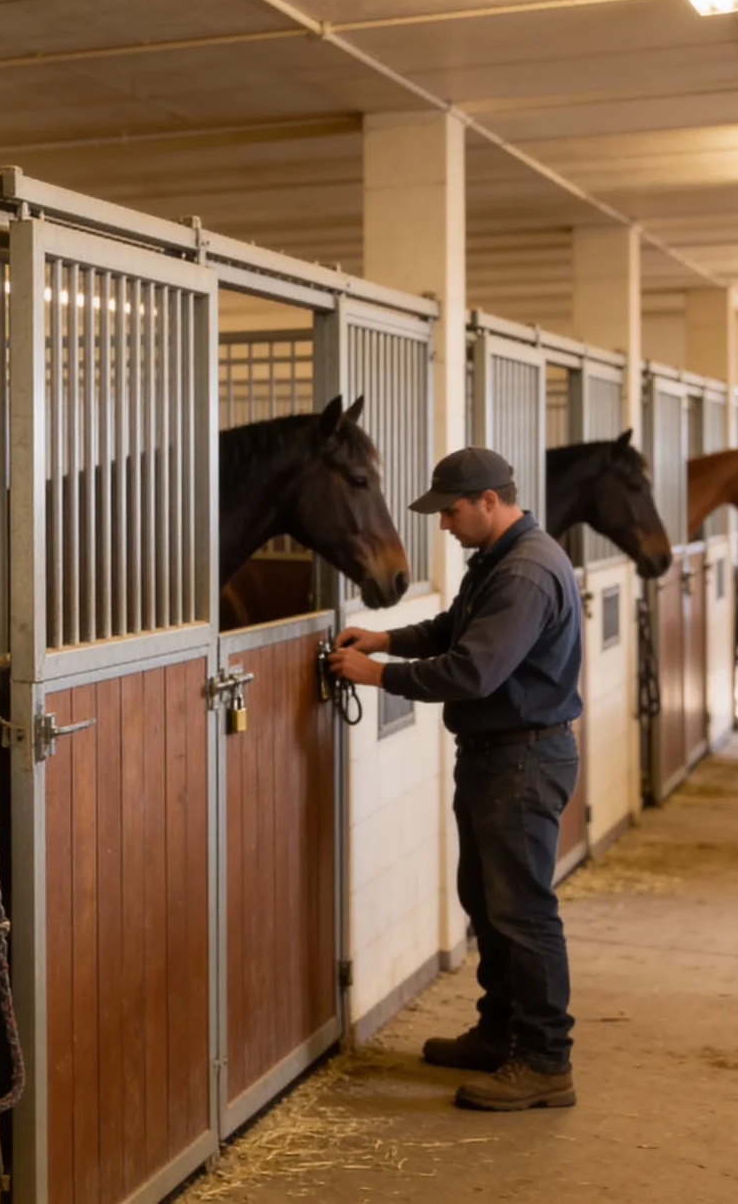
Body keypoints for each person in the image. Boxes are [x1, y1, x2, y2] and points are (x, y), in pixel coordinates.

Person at [328, 447, 583, 1112]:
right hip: (499, 755)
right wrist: (386, 640)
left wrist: (379, 676)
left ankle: (545, 1060)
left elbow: (473, 670)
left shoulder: (525, 572)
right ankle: (501, 1031)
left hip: (521, 759)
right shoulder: (499, 560)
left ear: (489, 501)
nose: (443, 524)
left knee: (522, 910)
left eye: (451, 511)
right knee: (488, 901)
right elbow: (453, 629)